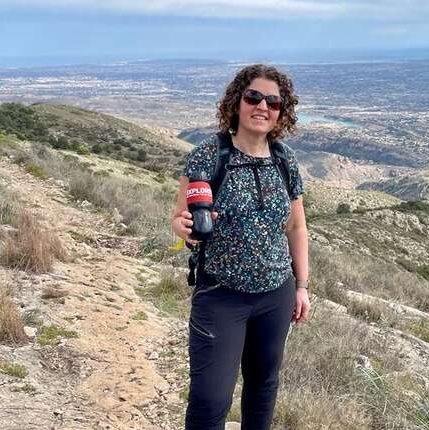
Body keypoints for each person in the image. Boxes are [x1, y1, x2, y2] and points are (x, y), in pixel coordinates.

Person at [171, 64, 310, 430]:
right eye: (253, 97)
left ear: (282, 112)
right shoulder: (209, 155)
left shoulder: (284, 160)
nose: (262, 106)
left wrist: (301, 286)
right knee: (210, 398)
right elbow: (181, 215)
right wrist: (183, 227)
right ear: (236, 103)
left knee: (263, 388)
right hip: (221, 294)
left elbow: (296, 225)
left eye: (274, 102)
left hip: (275, 294)